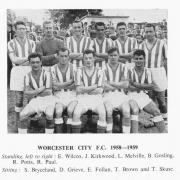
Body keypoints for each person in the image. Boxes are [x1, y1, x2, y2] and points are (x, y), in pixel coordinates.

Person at [127, 49, 166, 133]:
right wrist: (144, 86)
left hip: (142, 96)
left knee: (156, 112)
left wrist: (134, 83)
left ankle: (165, 134)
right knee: (135, 110)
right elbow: (128, 87)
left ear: (144, 59)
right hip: (130, 96)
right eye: (136, 58)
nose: (138, 61)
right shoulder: (129, 70)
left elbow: (152, 86)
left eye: (140, 58)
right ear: (133, 59)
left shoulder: (148, 71)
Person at [7, 21, 36, 133]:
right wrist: (27, 59)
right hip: (17, 72)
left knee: (31, 97)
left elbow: (33, 59)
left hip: (29, 70)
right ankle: (19, 121)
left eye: (23, 28)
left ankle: (33, 119)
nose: (22, 31)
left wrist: (22, 60)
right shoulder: (11, 43)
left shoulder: (32, 42)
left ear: (26, 29)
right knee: (19, 98)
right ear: (15, 30)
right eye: (19, 29)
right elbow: (13, 60)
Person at [19, 53, 57, 134]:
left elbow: (48, 92)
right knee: (22, 114)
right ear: (29, 63)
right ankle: (21, 140)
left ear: (41, 62)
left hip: (49, 99)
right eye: (33, 62)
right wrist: (42, 88)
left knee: (49, 114)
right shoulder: (27, 76)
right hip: (36, 100)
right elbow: (26, 93)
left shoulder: (47, 74)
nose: (35, 64)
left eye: (37, 62)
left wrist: (33, 92)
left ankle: (49, 138)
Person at [72, 49, 106, 133]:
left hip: (96, 99)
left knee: (102, 113)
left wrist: (85, 88)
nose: (88, 60)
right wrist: (94, 86)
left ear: (94, 58)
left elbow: (100, 90)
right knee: (76, 114)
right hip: (82, 99)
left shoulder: (100, 71)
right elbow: (78, 89)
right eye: (86, 58)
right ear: (83, 59)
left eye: (90, 58)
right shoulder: (79, 70)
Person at [139, 23, 168, 122]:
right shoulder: (141, 45)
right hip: (147, 73)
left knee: (162, 100)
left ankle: (165, 117)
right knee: (151, 98)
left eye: (151, 31)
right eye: (146, 31)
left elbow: (166, 60)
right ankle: (155, 117)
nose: (148, 33)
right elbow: (140, 61)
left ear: (154, 32)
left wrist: (167, 74)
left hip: (159, 73)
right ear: (144, 32)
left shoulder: (162, 43)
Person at [103, 47, 131, 133]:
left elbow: (126, 84)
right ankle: (109, 133)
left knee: (126, 111)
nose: (113, 57)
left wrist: (110, 82)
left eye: (115, 55)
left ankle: (126, 135)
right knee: (108, 110)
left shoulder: (124, 67)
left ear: (118, 56)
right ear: (108, 56)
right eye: (111, 55)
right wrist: (119, 85)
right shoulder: (103, 68)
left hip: (121, 95)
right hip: (107, 95)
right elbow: (104, 86)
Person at [51, 47, 77, 133]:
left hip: (72, 95)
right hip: (58, 95)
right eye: (61, 56)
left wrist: (61, 85)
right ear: (57, 56)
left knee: (70, 111)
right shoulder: (53, 68)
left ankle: (69, 133)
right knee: (58, 112)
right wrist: (69, 82)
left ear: (69, 57)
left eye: (66, 56)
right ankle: (59, 134)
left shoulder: (74, 67)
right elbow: (54, 86)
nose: (63, 58)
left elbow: (75, 85)